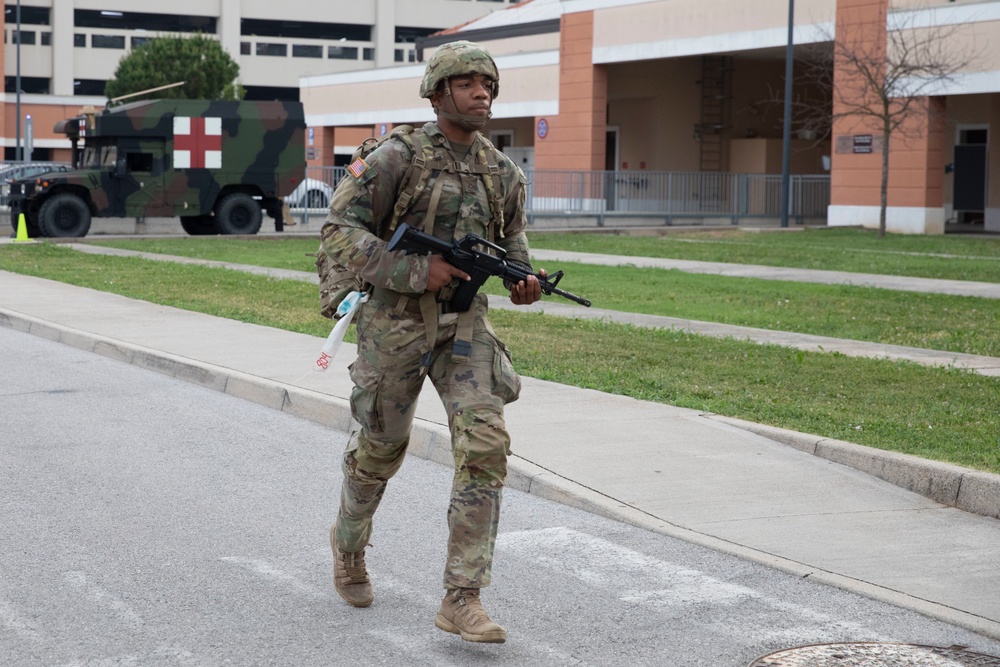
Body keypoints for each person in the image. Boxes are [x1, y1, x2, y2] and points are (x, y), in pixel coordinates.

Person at [319, 40, 542, 644]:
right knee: (382, 446)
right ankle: (349, 546)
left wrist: (523, 279)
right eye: (468, 84)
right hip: (394, 321)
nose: (481, 94)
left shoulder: (502, 171)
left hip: (464, 326)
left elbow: (512, 245)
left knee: (486, 443)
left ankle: (462, 597)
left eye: (488, 85)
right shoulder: (397, 156)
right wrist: (415, 272)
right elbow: (340, 228)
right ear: (439, 92)